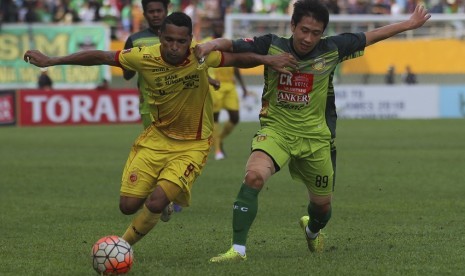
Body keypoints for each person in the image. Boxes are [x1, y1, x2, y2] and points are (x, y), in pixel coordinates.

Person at [24, 12, 297, 248]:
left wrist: (266, 59)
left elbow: (238, 58)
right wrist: (52, 61)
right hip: (156, 139)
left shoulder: (200, 55)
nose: (175, 46)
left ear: (190, 40)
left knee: (154, 202)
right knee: (127, 206)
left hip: (193, 145)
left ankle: (121, 247)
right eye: (168, 39)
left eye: (181, 41)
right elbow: (102, 56)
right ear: (160, 37)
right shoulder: (143, 57)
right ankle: (154, 208)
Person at [195, 0, 430, 262]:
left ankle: (312, 229)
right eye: (304, 30)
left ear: (323, 33)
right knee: (253, 177)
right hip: (277, 131)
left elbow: (371, 36)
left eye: (315, 33)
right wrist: (210, 45)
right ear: (293, 25)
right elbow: (234, 46)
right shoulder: (271, 44)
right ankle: (238, 250)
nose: (308, 38)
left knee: (322, 208)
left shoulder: (333, 48)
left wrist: (409, 24)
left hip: (316, 139)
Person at [122, 0, 177, 219]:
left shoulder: (177, 36)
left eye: (159, 11)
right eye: (151, 11)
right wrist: (131, 64)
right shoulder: (135, 40)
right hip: (150, 107)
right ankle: (164, 197)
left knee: (176, 152)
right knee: (160, 151)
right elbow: (126, 73)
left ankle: (165, 194)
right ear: (144, 14)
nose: (155, 15)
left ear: (166, 10)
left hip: (179, 105)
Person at [204, 20, 250, 160]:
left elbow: (235, 63)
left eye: (221, 26)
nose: (219, 28)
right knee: (216, 117)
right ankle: (218, 151)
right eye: (216, 25)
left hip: (230, 84)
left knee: (235, 117)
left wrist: (243, 86)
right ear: (212, 27)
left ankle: (219, 139)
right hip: (215, 84)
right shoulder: (205, 43)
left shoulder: (227, 42)